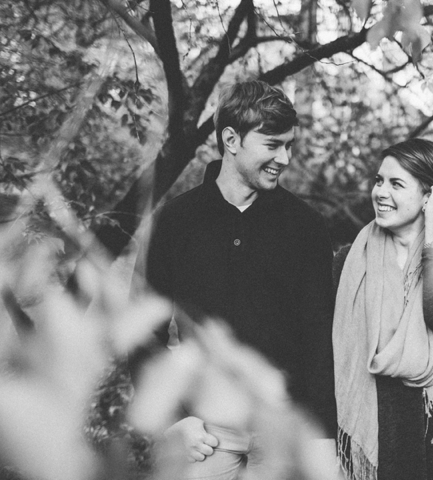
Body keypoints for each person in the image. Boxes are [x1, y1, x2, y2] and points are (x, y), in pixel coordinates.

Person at [141, 80, 337, 479]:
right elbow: (145, 323)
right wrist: (172, 418)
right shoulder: (177, 221)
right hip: (204, 435)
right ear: (231, 139)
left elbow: (321, 337)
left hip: (286, 433)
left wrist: (322, 432)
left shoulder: (307, 227)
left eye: (289, 145)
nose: (284, 158)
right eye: (272, 144)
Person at [332, 138, 433, 480]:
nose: (380, 192)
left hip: (431, 441)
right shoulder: (347, 261)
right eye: (379, 181)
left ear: (429, 197)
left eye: (396, 184)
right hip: (371, 430)